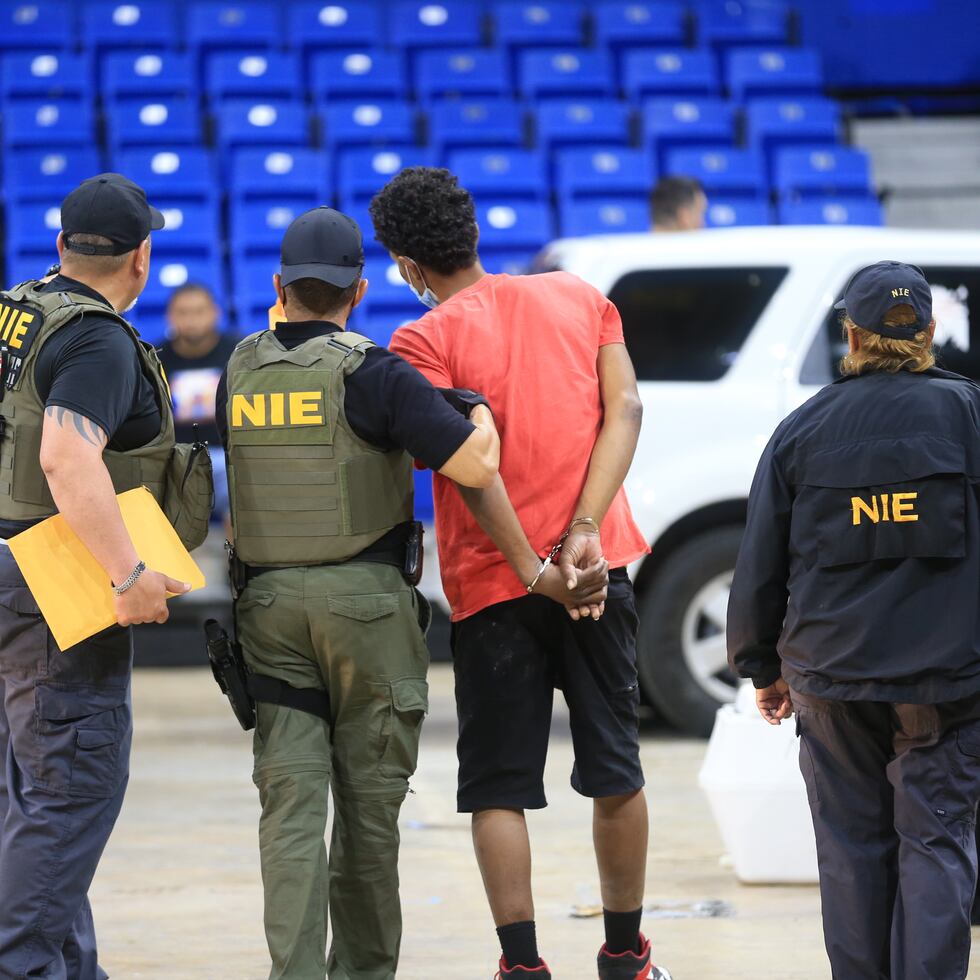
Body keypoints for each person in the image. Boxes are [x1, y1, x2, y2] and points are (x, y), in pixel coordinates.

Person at [370, 167, 671, 980]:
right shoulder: (578, 296)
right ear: (470, 231)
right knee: (616, 766)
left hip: (496, 587)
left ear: (407, 264)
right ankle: (624, 956)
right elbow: (628, 409)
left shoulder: (420, 342)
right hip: (599, 568)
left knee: (499, 788)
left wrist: (532, 569)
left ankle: (524, 968)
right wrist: (580, 534)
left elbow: (474, 462)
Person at [215, 206, 503, 980]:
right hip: (366, 613)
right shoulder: (373, 371)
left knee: (291, 812)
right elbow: (473, 468)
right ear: (360, 290)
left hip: (268, 610)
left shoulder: (238, 369)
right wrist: (476, 412)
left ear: (279, 286)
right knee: (370, 814)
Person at [728, 261, 980, 980]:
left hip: (831, 680)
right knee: (935, 842)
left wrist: (762, 668)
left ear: (851, 334)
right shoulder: (970, 415)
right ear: (930, 332)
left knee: (850, 851)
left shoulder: (802, 430)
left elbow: (760, 565)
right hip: (949, 682)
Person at [0, 174, 192, 978]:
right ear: (142, 258)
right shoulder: (97, 339)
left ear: (60, 246)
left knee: (33, 794)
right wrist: (129, 573)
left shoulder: (15, 309)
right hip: (56, 585)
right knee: (70, 789)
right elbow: (64, 455)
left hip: (10, 566)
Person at [158, 283, 236, 525]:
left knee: (243, 475)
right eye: (183, 312)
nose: (191, 319)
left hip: (227, 453)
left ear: (216, 313)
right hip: (177, 459)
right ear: (170, 316)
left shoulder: (237, 352)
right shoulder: (155, 357)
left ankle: (240, 557)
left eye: (199, 311)